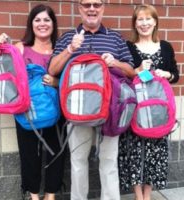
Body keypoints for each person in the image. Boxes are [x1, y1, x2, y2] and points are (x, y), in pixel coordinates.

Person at [48, 0, 135, 199]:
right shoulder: (68, 37)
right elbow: (52, 69)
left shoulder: (114, 38)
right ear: (79, 8)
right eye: (87, 4)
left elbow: (131, 72)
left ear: (103, 8)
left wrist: (116, 63)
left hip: (109, 112)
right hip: (76, 112)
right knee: (78, 162)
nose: (92, 9)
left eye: (97, 4)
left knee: (109, 163)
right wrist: (70, 49)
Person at [0, 4, 65, 200]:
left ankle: (50, 195)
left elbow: (70, 80)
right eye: (37, 20)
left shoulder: (60, 49)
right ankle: (33, 195)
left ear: (53, 24)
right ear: (31, 24)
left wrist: (56, 82)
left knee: (57, 152)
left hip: (56, 110)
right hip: (26, 109)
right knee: (28, 153)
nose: (42, 24)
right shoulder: (20, 48)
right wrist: (2, 45)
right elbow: (5, 71)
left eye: (46, 20)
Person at [118, 4, 179, 200]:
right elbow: (124, 75)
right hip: (137, 108)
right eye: (140, 20)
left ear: (155, 22)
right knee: (135, 152)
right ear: (135, 24)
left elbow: (175, 74)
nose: (144, 23)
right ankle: (138, 195)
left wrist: (166, 74)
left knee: (155, 152)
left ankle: (148, 194)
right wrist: (138, 69)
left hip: (160, 110)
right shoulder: (128, 47)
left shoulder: (166, 47)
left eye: (148, 19)